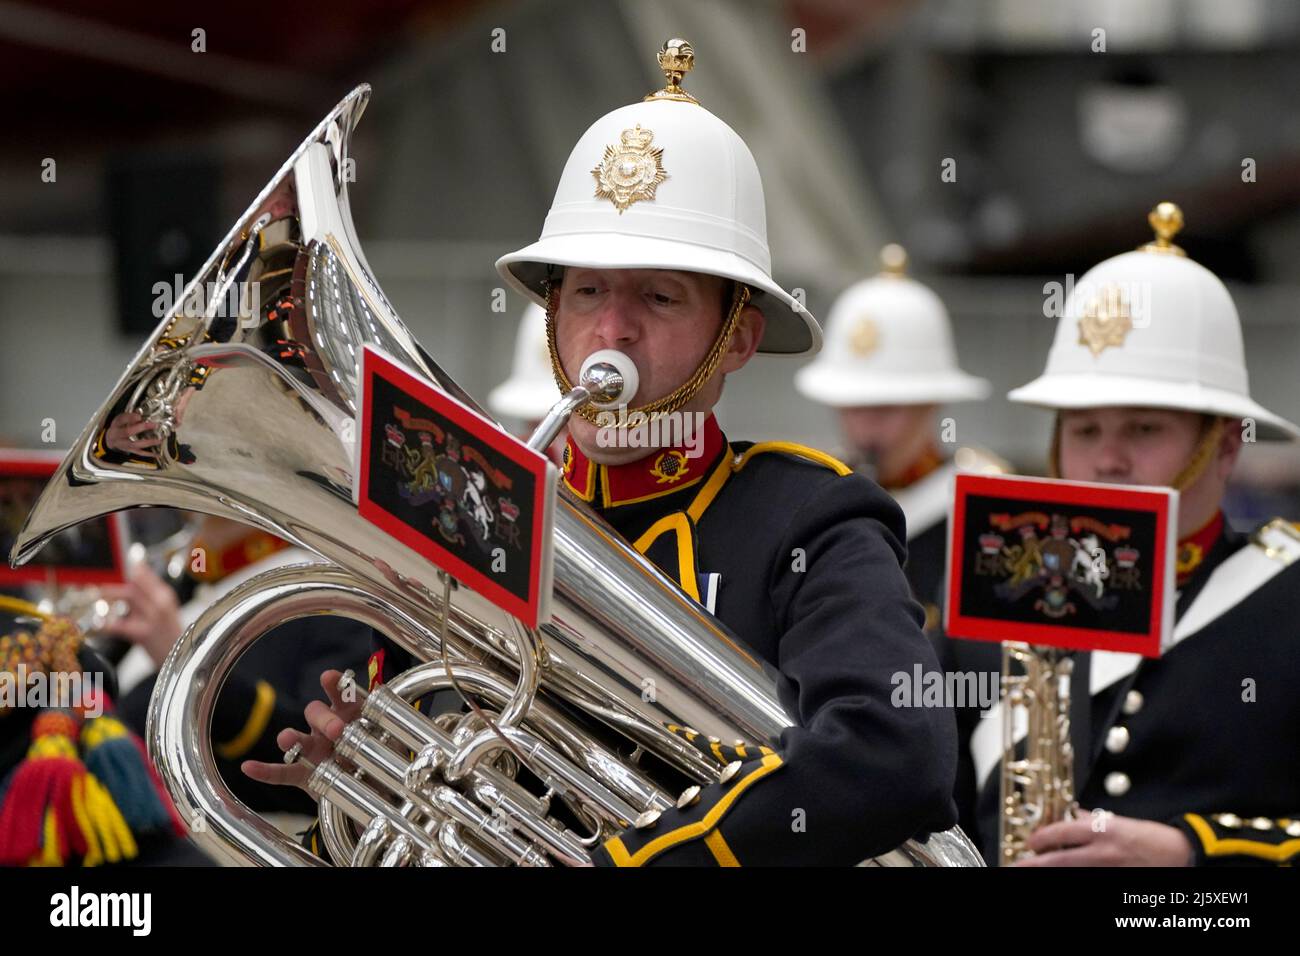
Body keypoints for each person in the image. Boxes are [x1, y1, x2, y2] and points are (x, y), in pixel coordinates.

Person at [245, 37, 958, 867]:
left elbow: (895, 753)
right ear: (552, 316)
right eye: (586, 292)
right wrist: (379, 782)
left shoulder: (808, 516)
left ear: (738, 338)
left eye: (659, 296)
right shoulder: (483, 509)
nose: (611, 331)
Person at [940, 202, 1300, 866]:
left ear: (1223, 448)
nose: (1108, 460)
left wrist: (1193, 853)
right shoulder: (980, 608)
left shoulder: (1285, 598)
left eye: (1143, 429)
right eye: (1083, 430)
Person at [794, 244, 1000, 630]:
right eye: (851, 406)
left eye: (886, 408)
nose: (864, 428)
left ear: (933, 402)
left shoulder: (986, 507)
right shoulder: (816, 495)